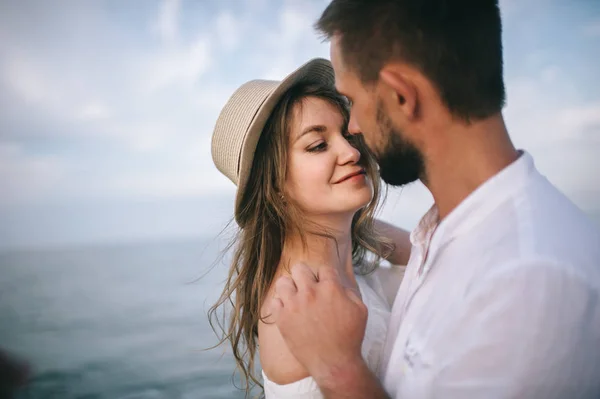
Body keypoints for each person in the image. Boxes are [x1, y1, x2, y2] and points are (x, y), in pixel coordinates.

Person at [267, 1, 600, 398]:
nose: (354, 131)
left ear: (401, 96)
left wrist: (339, 369)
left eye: (352, 101)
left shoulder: (527, 283)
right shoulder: (444, 235)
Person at [209, 58, 411, 398]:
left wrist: (354, 229)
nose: (351, 152)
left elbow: (435, 258)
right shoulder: (297, 308)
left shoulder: (350, 270)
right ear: (273, 186)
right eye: (318, 145)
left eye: (347, 134)